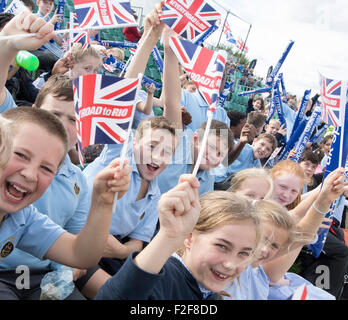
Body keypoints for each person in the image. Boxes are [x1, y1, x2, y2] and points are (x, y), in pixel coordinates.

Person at [0, 106, 131, 300]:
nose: (30, 174)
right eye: (20, 155)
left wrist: (102, 202)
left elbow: (81, 255)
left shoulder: (23, 218)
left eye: (46, 168)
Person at [95, 176, 263, 300]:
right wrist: (168, 236)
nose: (230, 264)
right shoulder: (162, 280)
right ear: (190, 237)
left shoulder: (210, 292)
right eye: (222, 246)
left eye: (244, 253)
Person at [157, 25, 233, 196]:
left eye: (219, 153)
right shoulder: (179, 147)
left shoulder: (207, 178)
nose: (213, 155)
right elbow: (170, 102)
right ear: (195, 138)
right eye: (210, 147)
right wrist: (170, 51)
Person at [212, 132, 277, 190]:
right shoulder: (242, 148)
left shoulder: (258, 167)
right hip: (217, 178)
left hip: (228, 185)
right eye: (262, 144)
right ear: (255, 141)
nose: (263, 149)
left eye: (268, 149)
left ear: (269, 154)